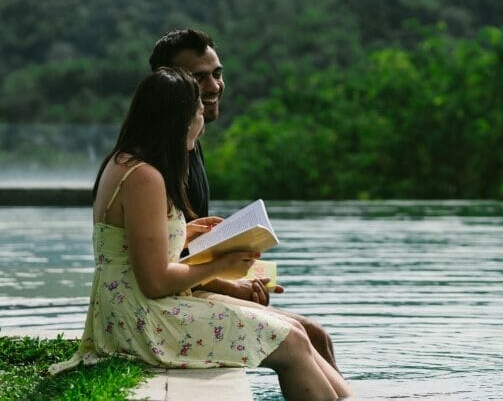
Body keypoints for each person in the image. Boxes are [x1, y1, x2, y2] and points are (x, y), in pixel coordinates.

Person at [50, 68, 351, 399]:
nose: (202, 121)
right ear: (179, 119)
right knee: (292, 342)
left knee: (296, 332)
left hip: (130, 309)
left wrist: (185, 233)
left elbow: (127, 242)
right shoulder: (145, 177)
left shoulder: (127, 162)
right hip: (141, 320)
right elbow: (155, 281)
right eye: (198, 111)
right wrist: (221, 265)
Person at [148, 29, 339, 369]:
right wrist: (232, 285)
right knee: (309, 333)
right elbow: (157, 265)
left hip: (190, 285)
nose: (214, 86)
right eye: (199, 78)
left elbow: (178, 244)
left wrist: (241, 273)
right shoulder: (156, 164)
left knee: (317, 335)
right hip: (173, 299)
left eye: (217, 74)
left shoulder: (190, 143)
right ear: (170, 85)